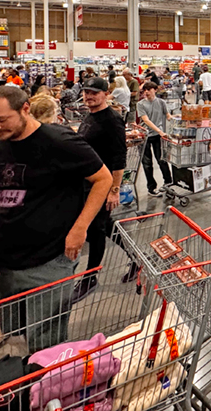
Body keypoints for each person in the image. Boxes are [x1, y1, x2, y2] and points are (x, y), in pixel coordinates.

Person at [0, 87, 112, 353]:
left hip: (49, 260)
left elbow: (102, 178)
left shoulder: (60, 141)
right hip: (3, 262)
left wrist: (80, 229)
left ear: (25, 108)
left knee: (46, 341)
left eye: (1, 120)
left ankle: (45, 388)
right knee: (13, 331)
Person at [74, 77, 127, 301]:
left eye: (94, 93)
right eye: (86, 92)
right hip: (86, 182)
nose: (89, 96)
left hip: (102, 185)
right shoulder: (90, 115)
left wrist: (114, 190)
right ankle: (137, 258)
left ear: (106, 94)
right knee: (106, 227)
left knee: (96, 230)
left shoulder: (112, 120)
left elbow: (119, 156)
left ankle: (90, 278)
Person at [137, 81, 172, 197]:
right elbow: (146, 120)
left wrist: (179, 120)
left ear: (155, 90)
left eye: (149, 89)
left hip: (158, 136)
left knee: (162, 159)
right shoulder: (140, 104)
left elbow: (167, 115)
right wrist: (160, 131)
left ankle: (168, 183)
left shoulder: (161, 102)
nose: (146, 92)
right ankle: (151, 188)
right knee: (147, 163)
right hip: (145, 136)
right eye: (144, 90)